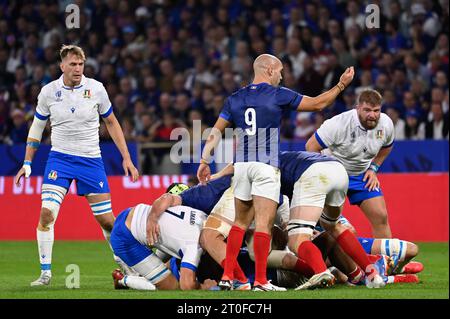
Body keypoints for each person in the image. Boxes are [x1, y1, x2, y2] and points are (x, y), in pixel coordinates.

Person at [196, 53, 354, 291]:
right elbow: (318, 103)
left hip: (241, 167)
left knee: (239, 223)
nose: (281, 76)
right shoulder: (277, 94)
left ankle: (228, 276)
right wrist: (341, 84)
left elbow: (215, 132)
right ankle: (260, 281)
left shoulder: (235, 98)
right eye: (280, 71)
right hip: (265, 166)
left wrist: (204, 160)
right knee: (263, 225)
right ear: (269, 70)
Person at [13, 45, 139, 286]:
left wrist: (126, 158)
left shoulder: (96, 89)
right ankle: (45, 273)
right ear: (62, 66)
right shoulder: (49, 92)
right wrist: (27, 162)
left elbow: (111, 122)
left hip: (91, 160)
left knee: (107, 222)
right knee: (46, 214)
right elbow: (37, 127)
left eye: (81, 64)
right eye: (72, 64)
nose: (77, 69)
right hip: (59, 159)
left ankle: (125, 266)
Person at [306, 89, 394, 238]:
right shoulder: (339, 123)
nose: (372, 115)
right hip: (334, 173)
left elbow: (386, 147)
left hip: (361, 174)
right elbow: (311, 146)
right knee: (332, 225)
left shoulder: (386, 124)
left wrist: (373, 169)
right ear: (358, 108)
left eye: (376, 110)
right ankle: (328, 258)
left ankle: (385, 260)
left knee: (381, 217)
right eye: (367, 110)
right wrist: (324, 176)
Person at [109, 202, 216, 291]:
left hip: (134, 212)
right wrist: (204, 287)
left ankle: (148, 271)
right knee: (171, 285)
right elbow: (186, 285)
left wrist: (152, 218)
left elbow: (167, 197)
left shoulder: (203, 215)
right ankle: (122, 280)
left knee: (170, 253)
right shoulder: (193, 246)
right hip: (125, 238)